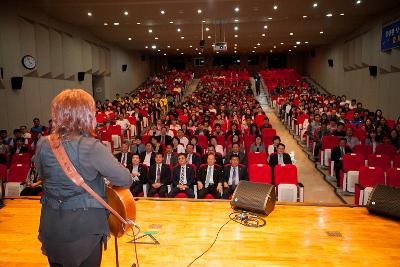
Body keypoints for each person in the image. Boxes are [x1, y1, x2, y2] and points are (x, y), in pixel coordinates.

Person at [34, 89, 132, 267]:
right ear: (86, 114)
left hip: (52, 224)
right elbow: (125, 179)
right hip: (84, 229)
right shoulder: (91, 146)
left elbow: (43, 176)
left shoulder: (43, 143)